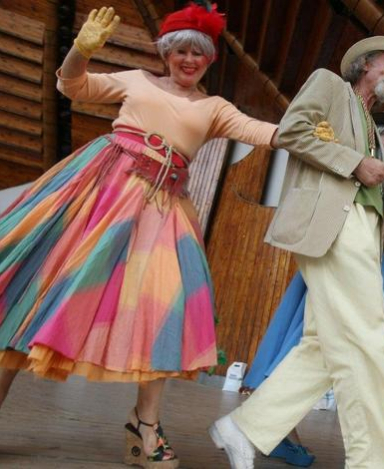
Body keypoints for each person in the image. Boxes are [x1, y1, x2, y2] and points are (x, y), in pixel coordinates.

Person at [0, 5, 278, 469]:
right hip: (100, 192)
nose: (189, 59)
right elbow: (73, 86)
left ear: (210, 59)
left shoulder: (214, 108)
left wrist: (309, 130)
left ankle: (144, 427)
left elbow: (261, 131)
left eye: (199, 53)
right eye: (181, 50)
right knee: (36, 290)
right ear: (167, 53)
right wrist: (80, 50)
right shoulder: (136, 80)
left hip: (162, 210)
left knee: (167, 305)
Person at [209, 36, 384, 469]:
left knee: (323, 346)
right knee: (368, 336)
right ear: (364, 64)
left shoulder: (371, 125)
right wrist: (355, 162)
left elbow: (371, 186)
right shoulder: (329, 85)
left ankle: (245, 428)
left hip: (361, 230)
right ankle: (376, 462)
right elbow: (292, 130)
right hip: (336, 225)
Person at [241, 111, 384, 468]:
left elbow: (382, 202)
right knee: (334, 344)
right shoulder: (351, 161)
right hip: (336, 257)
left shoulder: (379, 180)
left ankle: (377, 451)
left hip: (369, 263)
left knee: (349, 349)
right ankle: (278, 431)